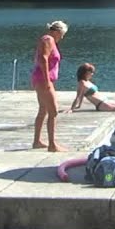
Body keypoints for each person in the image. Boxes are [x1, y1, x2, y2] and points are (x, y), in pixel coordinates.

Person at [69, 63, 115, 133]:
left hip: (106, 101)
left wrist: (79, 106)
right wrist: (72, 109)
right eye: (90, 72)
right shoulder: (82, 83)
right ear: (85, 73)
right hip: (101, 104)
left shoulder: (88, 82)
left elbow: (81, 96)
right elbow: (78, 96)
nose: (92, 74)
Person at [31, 20, 69, 152]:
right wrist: (47, 81)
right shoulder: (48, 39)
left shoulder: (48, 40)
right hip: (43, 80)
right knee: (53, 111)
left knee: (43, 109)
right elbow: (43, 58)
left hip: (41, 78)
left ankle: (37, 141)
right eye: (62, 34)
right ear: (56, 31)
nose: (62, 37)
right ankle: (52, 145)